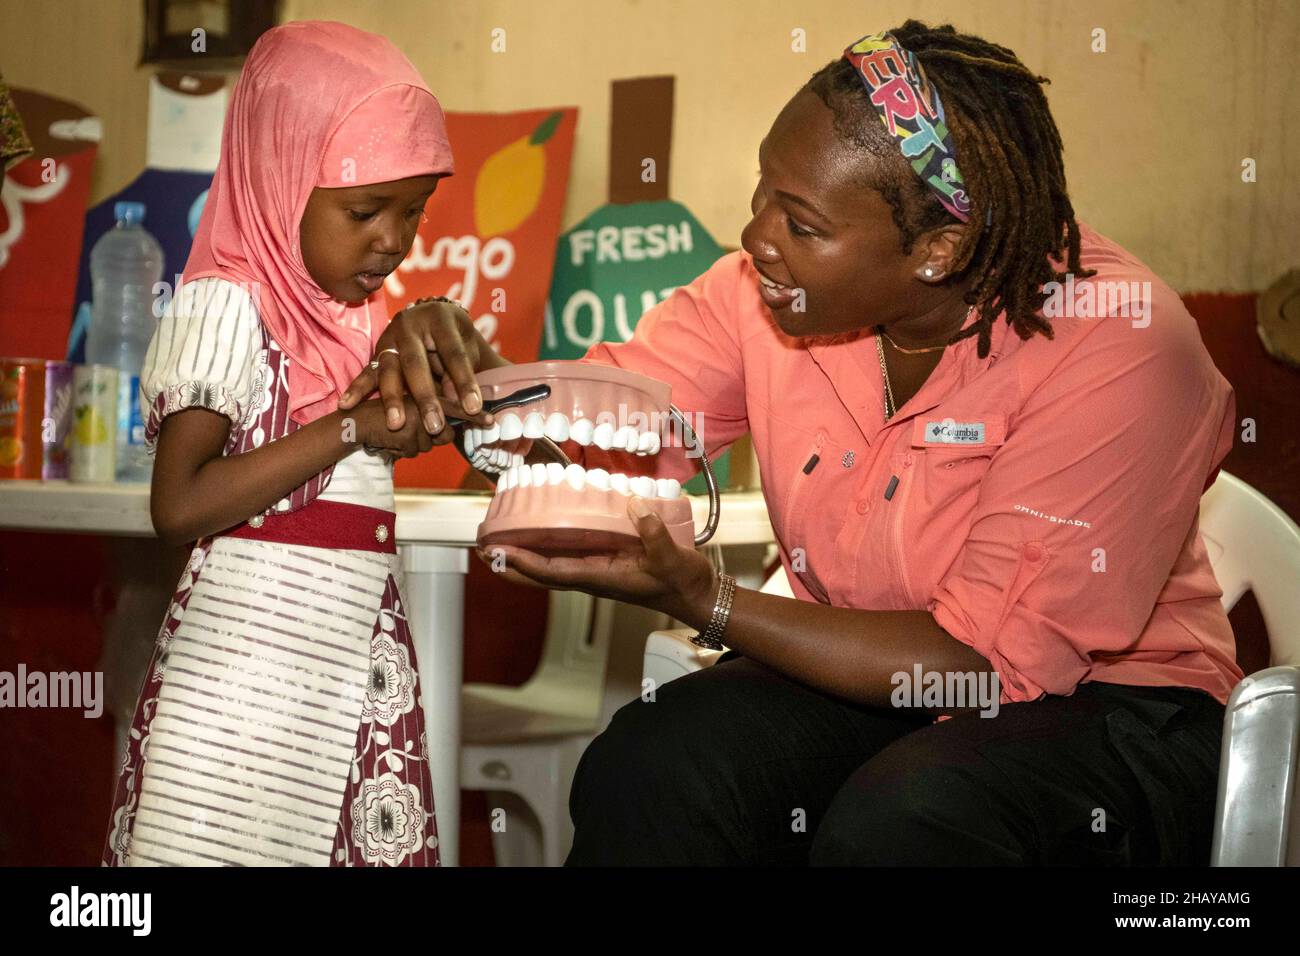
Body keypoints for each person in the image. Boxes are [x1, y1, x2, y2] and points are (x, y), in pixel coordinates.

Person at [341, 21, 1242, 865]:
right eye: (762, 192)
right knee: (653, 766)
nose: (755, 237)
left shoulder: (1117, 343)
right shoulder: (764, 298)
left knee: (907, 825)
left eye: (801, 224)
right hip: (872, 690)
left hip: (1112, 713)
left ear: (938, 247)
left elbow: (979, 666)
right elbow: (587, 423)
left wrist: (709, 599)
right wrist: (450, 367)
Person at [101, 21, 493, 867]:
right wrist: (349, 428)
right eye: (365, 210)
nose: (393, 240)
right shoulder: (222, 307)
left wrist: (445, 404)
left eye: (414, 212)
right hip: (244, 675)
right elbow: (182, 503)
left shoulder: (362, 326)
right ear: (281, 175)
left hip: (350, 659)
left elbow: (367, 464)